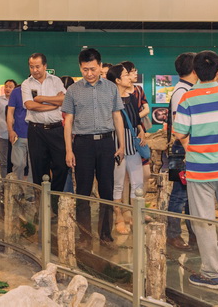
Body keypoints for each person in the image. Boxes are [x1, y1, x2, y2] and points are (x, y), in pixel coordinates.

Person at [173, 51, 218, 289]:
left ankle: (211, 273)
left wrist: (191, 147)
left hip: (199, 170)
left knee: (203, 222)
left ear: (195, 71)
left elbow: (179, 132)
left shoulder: (187, 98)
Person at [62, 49, 125, 243]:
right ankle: (85, 234)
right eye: (85, 69)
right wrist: (69, 150)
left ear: (100, 66)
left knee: (107, 189)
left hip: (106, 143)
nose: (89, 73)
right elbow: (68, 121)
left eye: (93, 69)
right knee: (83, 190)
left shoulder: (111, 88)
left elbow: (117, 117)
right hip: (83, 144)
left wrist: (121, 145)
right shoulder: (73, 90)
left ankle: (105, 233)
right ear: (80, 68)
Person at [107, 64, 145, 235]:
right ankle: (118, 215)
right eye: (125, 75)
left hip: (133, 144)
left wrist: (141, 131)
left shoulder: (132, 97)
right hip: (117, 143)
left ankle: (135, 215)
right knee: (118, 182)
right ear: (117, 80)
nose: (130, 77)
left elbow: (136, 119)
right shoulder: (109, 99)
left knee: (138, 181)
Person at [21, 53, 68, 191]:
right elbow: (30, 105)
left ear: (45, 66)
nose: (35, 70)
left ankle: (54, 197)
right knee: (39, 168)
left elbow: (64, 100)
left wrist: (42, 99)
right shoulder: (26, 84)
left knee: (61, 166)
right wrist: (54, 105)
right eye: (31, 67)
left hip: (56, 130)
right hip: (36, 131)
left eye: (37, 66)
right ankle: (41, 200)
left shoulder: (56, 81)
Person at [166, 52, 198, 251]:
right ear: (194, 69)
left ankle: (194, 234)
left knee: (191, 195)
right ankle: (173, 234)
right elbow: (180, 127)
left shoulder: (188, 89)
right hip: (183, 148)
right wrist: (188, 150)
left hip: (189, 147)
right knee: (179, 194)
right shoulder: (181, 91)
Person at [121, 61, 151, 195]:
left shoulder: (138, 90)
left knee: (145, 173)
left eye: (135, 71)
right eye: (131, 72)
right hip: (124, 134)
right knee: (124, 178)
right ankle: (125, 205)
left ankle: (139, 203)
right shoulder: (117, 94)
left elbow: (147, 109)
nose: (135, 74)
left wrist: (133, 118)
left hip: (138, 132)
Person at [0, 79, 17, 177]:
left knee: (16, 161)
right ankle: (5, 182)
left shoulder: (18, 100)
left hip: (16, 136)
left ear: (15, 89)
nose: (7, 89)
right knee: (3, 162)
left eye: (10, 87)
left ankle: (15, 182)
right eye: (6, 86)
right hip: (2, 135)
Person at [7, 83, 31, 182]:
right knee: (19, 164)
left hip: (36, 135)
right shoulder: (16, 92)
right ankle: (16, 187)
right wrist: (10, 130)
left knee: (34, 165)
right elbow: (10, 112)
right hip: (19, 133)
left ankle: (31, 189)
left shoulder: (42, 91)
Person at [60, 76, 76, 193]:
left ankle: (67, 195)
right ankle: (67, 195)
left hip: (72, 137)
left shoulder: (72, 99)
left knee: (69, 168)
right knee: (68, 168)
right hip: (63, 136)